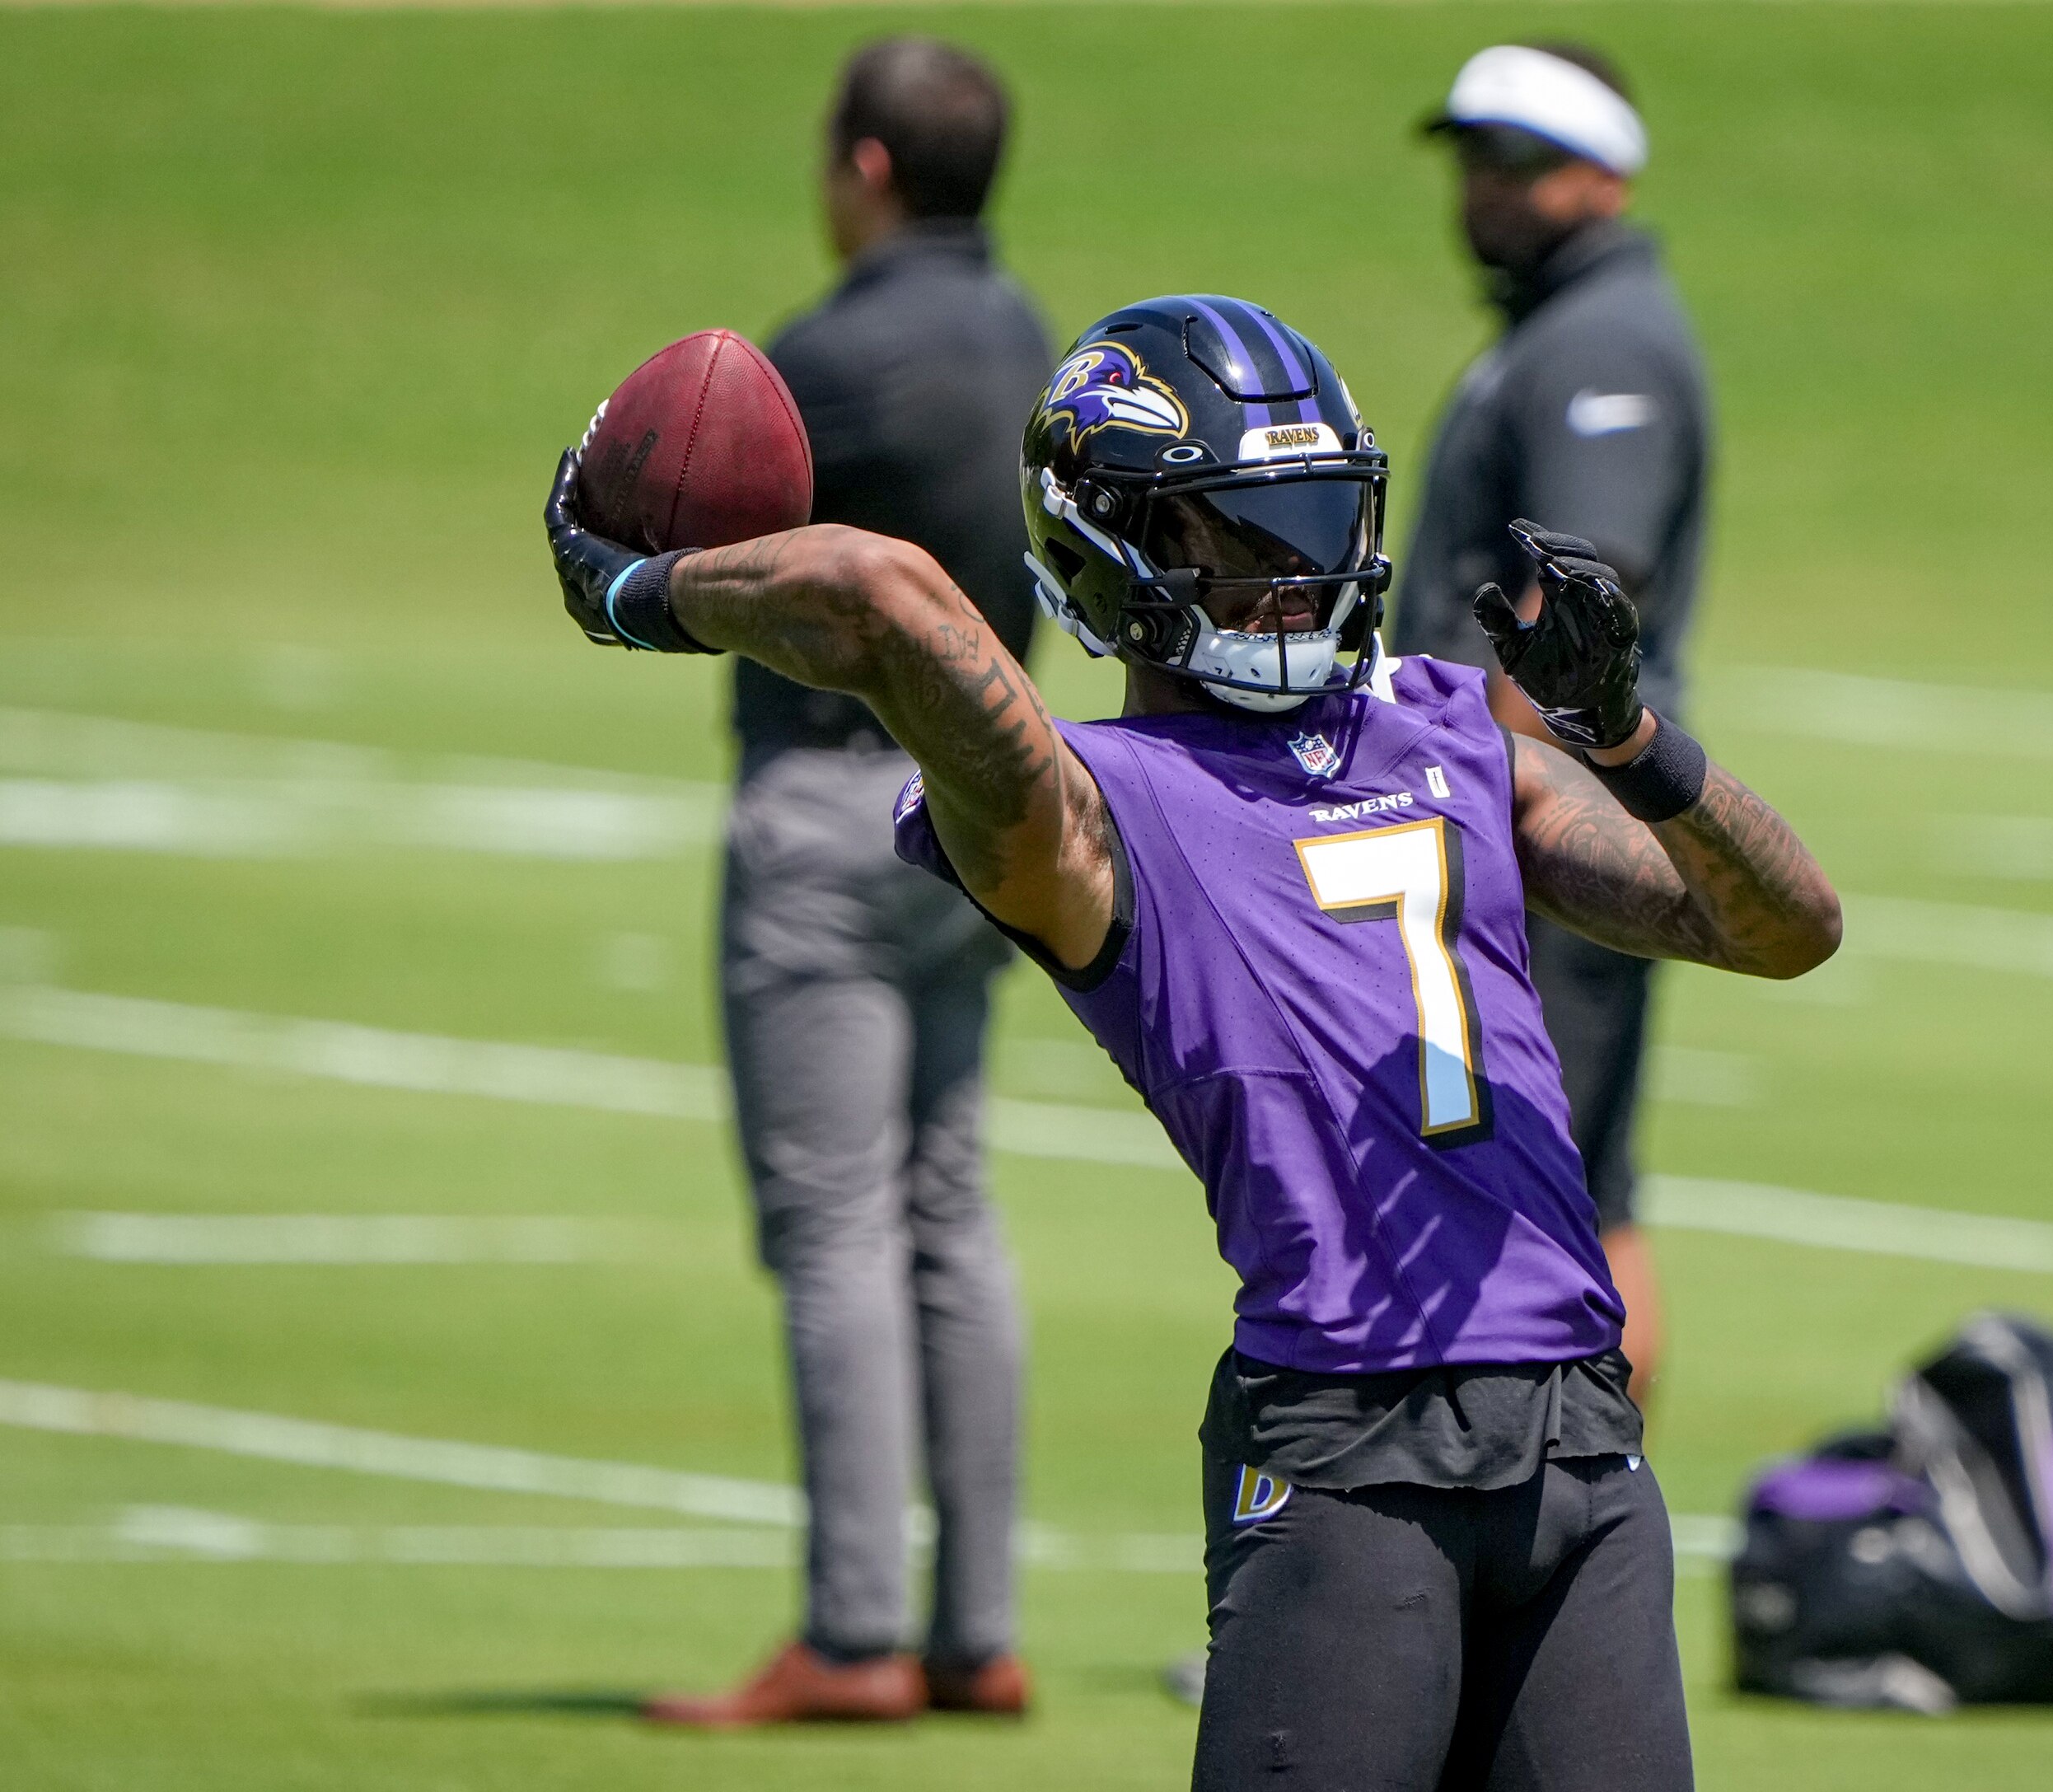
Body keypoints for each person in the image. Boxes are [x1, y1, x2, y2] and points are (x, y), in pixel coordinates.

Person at [545, 295, 1839, 1790]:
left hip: (1580, 1446)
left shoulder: (1451, 726)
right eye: (1237, 537)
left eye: (1310, 524)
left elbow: (1786, 927)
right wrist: (638, 588)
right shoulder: (1084, 814)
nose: (1292, 581)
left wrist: (1635, 739)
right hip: (1353, 1456)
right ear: (1111, 547)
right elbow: (885, 594)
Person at [641, 37, 1055, 1729]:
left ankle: (854, 1627)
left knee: (835, 1223)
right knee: (948, 1202)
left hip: (824, 809)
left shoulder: (818, 359)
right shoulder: (1025, 333)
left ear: (867, 169)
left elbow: (709, 541)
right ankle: (977, 1628)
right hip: (982, 803)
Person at [1394, 43, 1712, 1406]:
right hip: (1545, 823)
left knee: (1549, 1205)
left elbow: (1579, 601)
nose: (1485, 187)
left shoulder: (1603, 341)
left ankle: (1576, 1538)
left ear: (1607, 173)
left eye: (1519, 161)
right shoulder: (1558, 327)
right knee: (1589, 1190)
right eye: (1474, 156)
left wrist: (1496, 814)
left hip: (1552, 836)